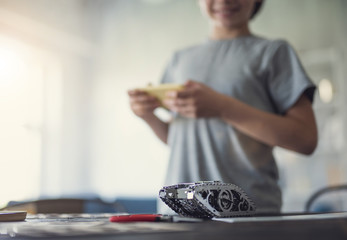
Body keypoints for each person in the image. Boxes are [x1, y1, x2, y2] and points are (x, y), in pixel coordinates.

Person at [128, 0, 318, 214]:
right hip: (178, 209)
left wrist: (222, 108)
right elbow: (179, 139)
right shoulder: (179, 60)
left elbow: (306, 139)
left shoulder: (274, 53)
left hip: (246, 212)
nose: (224, 1)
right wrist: (148, 117)